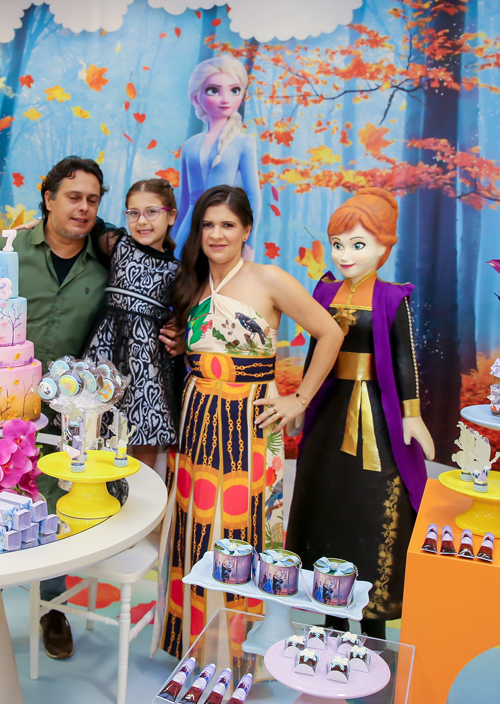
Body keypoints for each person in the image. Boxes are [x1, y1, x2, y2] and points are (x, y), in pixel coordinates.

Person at [156, 185, 343, 658]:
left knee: (248, 526)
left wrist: (299, 398)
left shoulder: (269, 278)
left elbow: (329, 332)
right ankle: (193, 649)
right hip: (197, 415)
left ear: (246, 230)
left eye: (228, 224)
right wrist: (183, 345)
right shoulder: (192, 282)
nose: (216, 234)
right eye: (208, 225)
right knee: (195, 524)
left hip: (251, 420)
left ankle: (243, 655)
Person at [284, 188, 434, 642]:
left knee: (372, 505)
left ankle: (373, 624)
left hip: (376, 419)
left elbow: (405, 359)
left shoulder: (391, 297)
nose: (345, 255)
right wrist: (303, 400)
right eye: (338, 244)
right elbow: (316, 350)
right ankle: (328, 617)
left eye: (358, 244)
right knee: (324, 499)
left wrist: (412, 415)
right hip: (328, 412)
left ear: (385, 246)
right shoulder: (324, 290)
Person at [0, 155, 109, 661]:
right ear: (49, 198)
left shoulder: (106, 263)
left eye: (92, 200)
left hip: (68, 411)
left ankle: (52, 607)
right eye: (74, 197)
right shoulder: (5, 250)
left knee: (55, 500)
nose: (83, 208)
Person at [84, 178, 181, 469]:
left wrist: (181, 331)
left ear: (171, 216)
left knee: (144, 428)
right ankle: (96, 487)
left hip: (146, 360)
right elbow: (86, 223)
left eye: (152, 212)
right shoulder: (117, 245)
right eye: (133, 213)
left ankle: (142, 492)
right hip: (106, 350)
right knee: (93, 423)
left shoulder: (176, 269)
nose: (142, 221)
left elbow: (188, 313)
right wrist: (38, 225)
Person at [171, 56, 260, 256]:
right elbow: (184, 198)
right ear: (196, 98)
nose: (225, 99)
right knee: (182, 271)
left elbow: (253, 195)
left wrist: (249, 241)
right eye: (213, 90)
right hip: (190, 227)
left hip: (224, 225)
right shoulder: (189, 146)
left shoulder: (243, 143)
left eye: (234, 90)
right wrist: (174, 239)